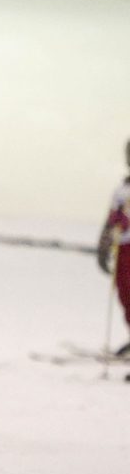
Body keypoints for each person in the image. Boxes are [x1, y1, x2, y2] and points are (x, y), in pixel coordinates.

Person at [96, 140, 130, 358]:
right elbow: (111, 219)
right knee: (127, 297)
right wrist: (104, 246)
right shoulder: (122, 190)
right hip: (125, 249)